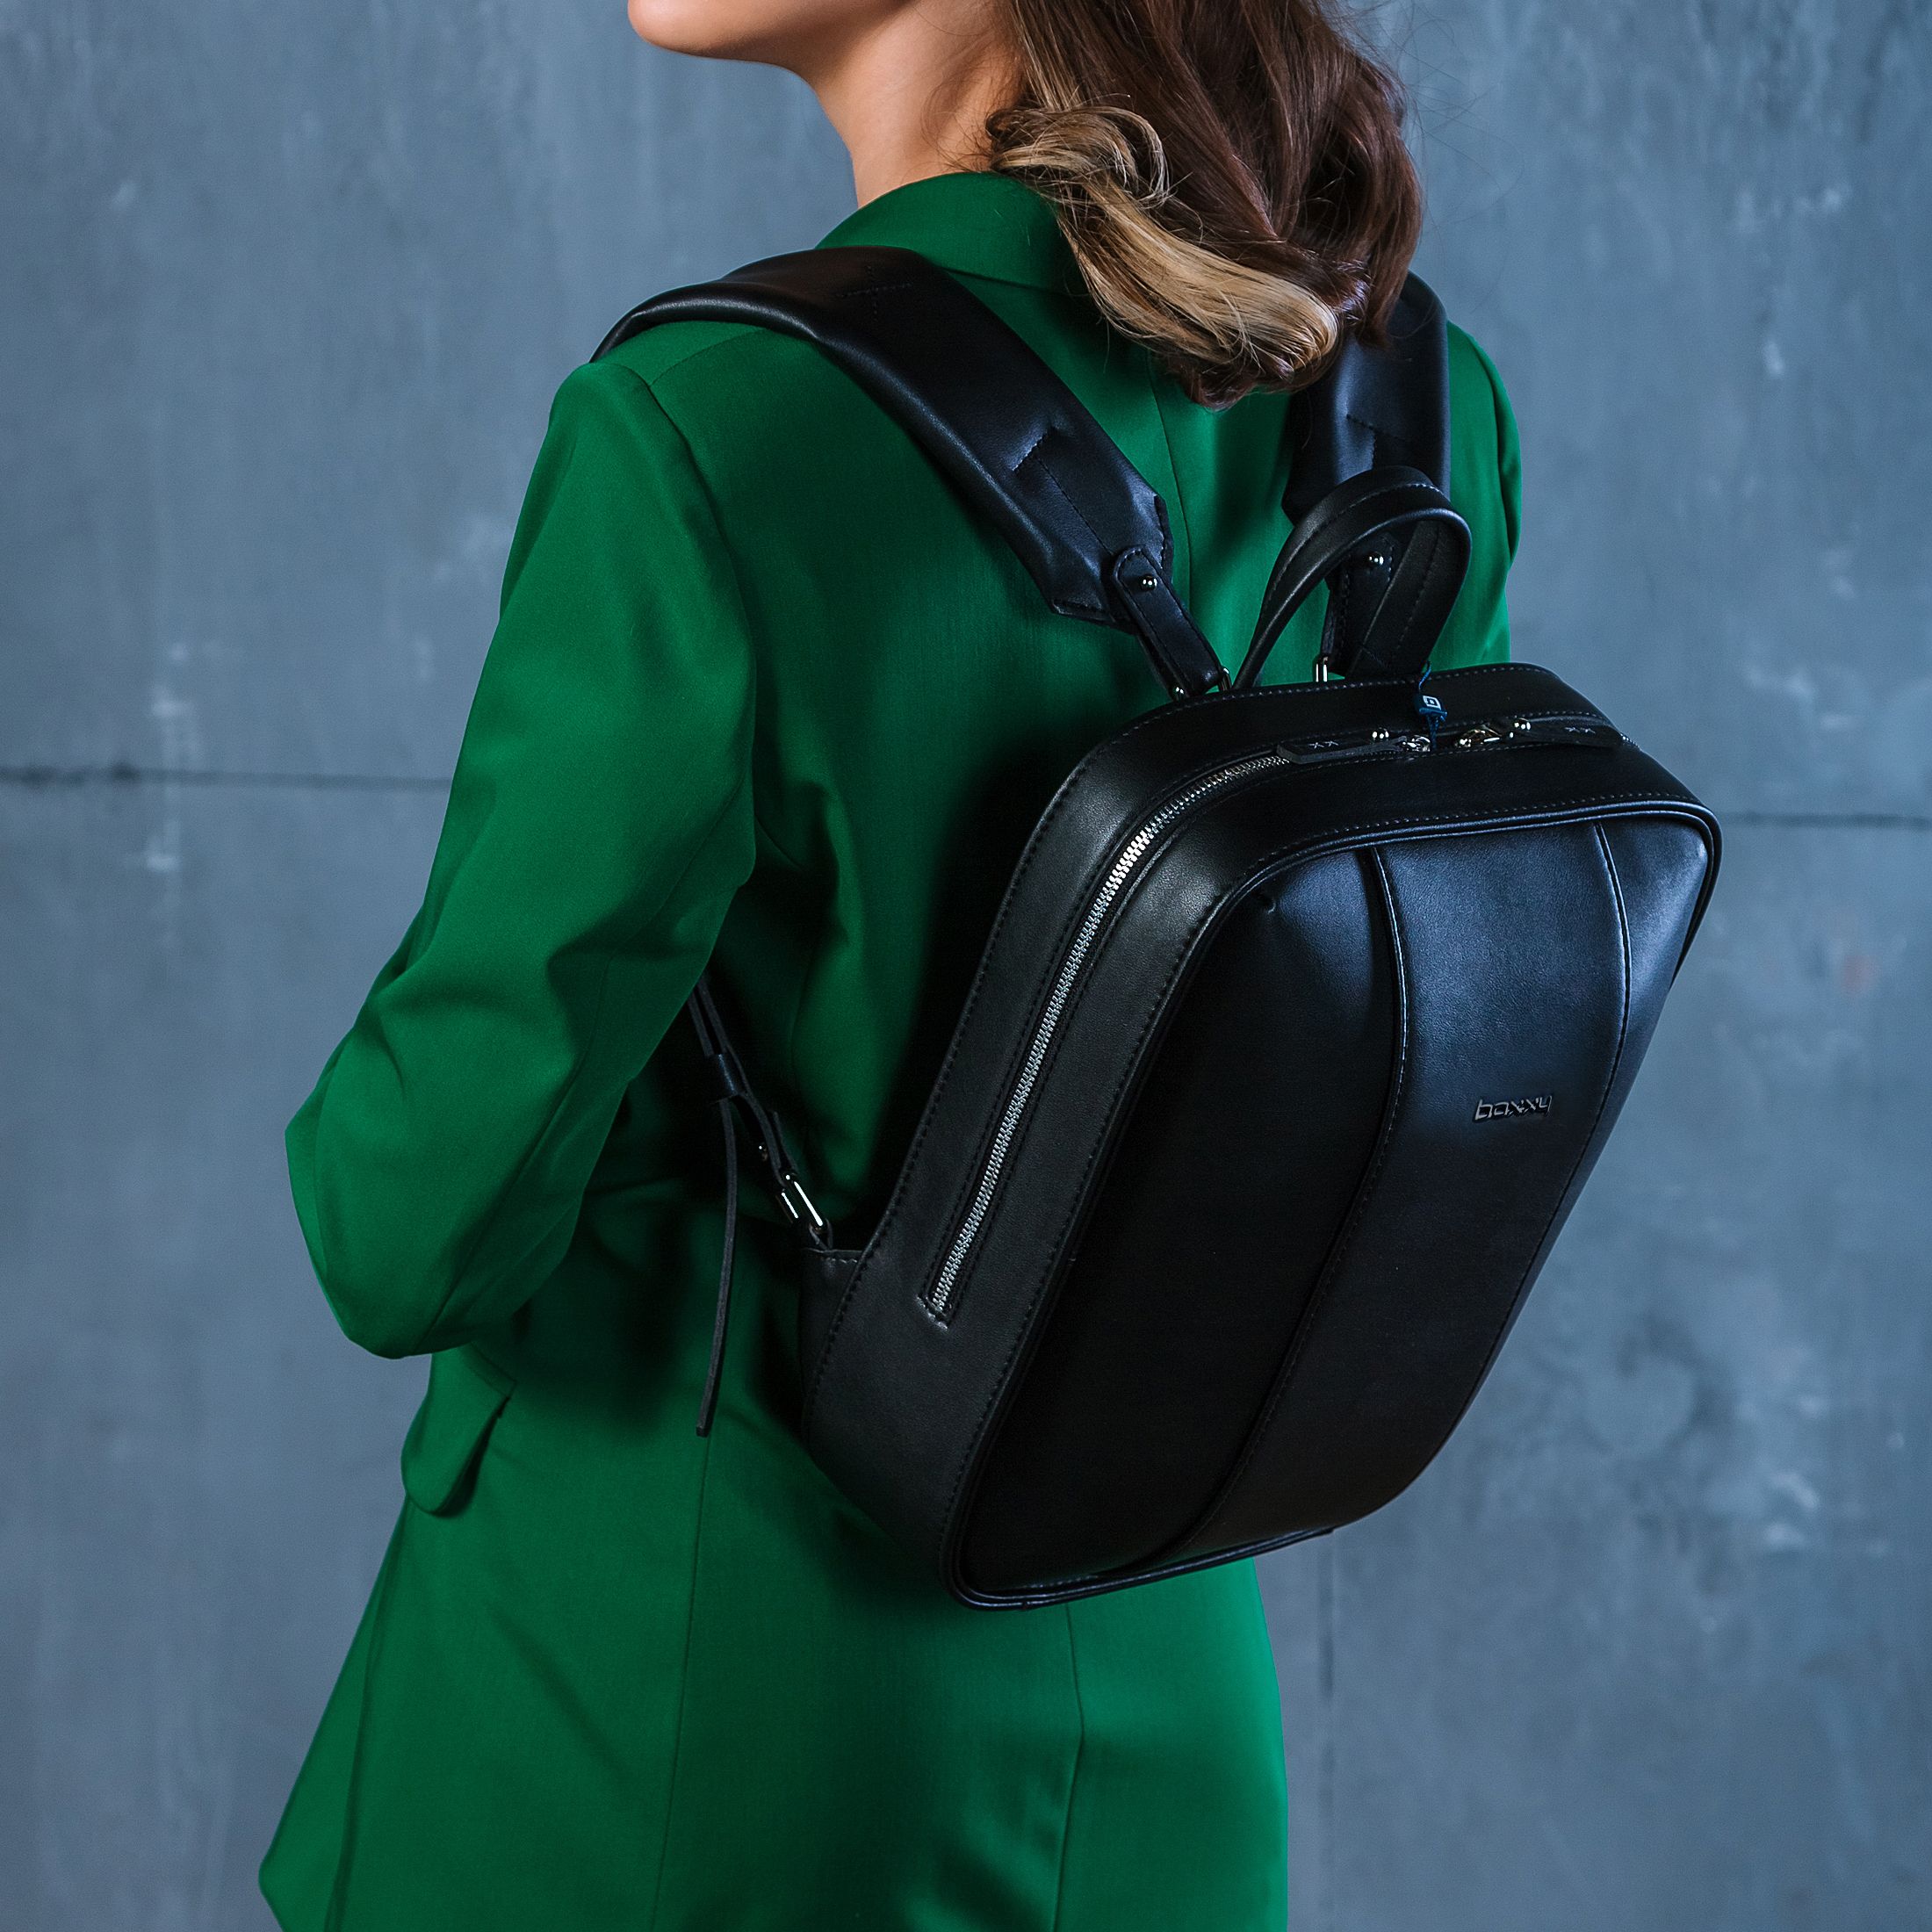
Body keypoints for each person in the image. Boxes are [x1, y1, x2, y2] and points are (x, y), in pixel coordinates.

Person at [259, 0, 1520, 1925]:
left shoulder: (715, 424)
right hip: (1161, 1719)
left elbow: (409, 1229)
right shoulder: (1408, 401)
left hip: (682, 1725)